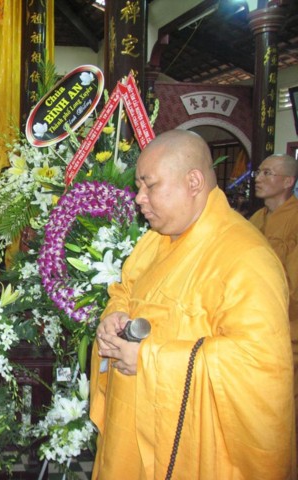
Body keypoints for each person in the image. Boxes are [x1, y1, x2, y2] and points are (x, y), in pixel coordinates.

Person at [90, 130, 296, 479]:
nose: (139, 199)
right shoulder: (156, 240)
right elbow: (125, 291)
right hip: (129, 433)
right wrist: (114, 316)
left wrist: (150, 360)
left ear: (194, 182)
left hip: (189, 449)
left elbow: (259, 366)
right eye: (139, 186)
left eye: (150, 186)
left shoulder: (247, 257)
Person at [249, 153, 298, 450]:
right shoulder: (256, 219)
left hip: (286, 330)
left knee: (281, 414)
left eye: (267, 173)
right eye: (259, 172)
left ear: (288, 181)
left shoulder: (295, 220)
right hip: (251, 330)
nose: (258, 178)